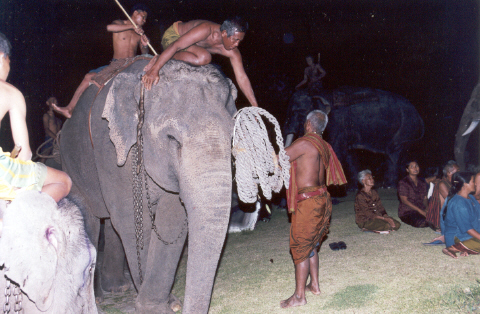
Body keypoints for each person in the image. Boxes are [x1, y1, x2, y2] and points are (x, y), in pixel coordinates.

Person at [280, 110, 346, 308]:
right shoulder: (324, 146)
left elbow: (279, 159)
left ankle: (299, 297)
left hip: (308, 201)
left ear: (309, 124)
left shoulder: (304, 143)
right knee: (312, 243)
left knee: (301, 245)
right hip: (322, 198)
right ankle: (314, 285)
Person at [0, 32, 71, 202]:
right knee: (65, 181)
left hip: (54, 140)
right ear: (2, 56)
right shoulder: (11, 92)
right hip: (49, 141)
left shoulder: (57, 118)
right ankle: (16, 216)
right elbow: (24, 153)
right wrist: (56, 140)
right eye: (9, 61)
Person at [53, 4, 150, 118]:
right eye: (143, 16)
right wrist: (131, 27)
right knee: (88, 77)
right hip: (116, 63)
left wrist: (145, 44)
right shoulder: (120, 24)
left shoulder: (139, 33)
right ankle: (69, 108)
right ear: (135, 13)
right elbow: (109, 28)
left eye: (145, 18)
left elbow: (145, 53)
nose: (144, 20)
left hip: (130, 65)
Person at [141, 17, 259, 107]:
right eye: (235, 40)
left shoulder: (233, 51)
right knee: (204, 57)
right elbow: (176, 45)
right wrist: (154, 70)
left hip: (187, 46)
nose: (237, 44)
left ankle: (165, 57)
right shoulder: (206, 30)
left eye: (240, 41)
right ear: (223, 33)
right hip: (173, 37)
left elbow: (242, 77)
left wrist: (255, 106)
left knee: (204, 56)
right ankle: (160, 57)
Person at [440, 172, 480, 258]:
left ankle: (466, 248)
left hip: (471, 233)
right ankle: (452, 248)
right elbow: (467, 229)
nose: (476, 184)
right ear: (465, 184)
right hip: (459, 236)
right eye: (473, 181)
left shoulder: (470, 197)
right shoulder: (458, 203)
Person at [397, 160, 429, 228]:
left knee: (437, 217)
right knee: (422, 222)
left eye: (416, 166)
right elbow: (404, 201)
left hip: (421, 209)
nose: (415, 168)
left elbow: (425, 198)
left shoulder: (422, 183)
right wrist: (420, 211)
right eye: (412, 167)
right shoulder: (403, 182)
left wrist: (427, 208)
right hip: (408, 212)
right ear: (407, 170)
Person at [39, 97, 63, 162]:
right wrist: (56, 138)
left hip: (57, 140)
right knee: (44, 156)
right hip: (49, 139)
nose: (55, 102)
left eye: (56, 101)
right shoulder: (46, 116)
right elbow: (46, 129)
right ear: (47, 103)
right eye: (52, 101)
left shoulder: (58, 118)